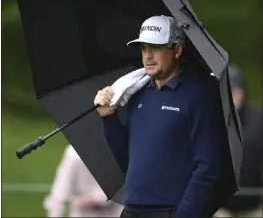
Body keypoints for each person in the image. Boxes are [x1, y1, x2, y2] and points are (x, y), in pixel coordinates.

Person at [94, 15, 231, 218]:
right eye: (143, 48)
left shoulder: (198, 96)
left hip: (170, 212)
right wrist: (108, 117)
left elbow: (208, 169)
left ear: (177, 50)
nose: (148, 56)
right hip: (131, 211)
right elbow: (126, 162)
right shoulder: (137, 93)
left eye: (156, 48)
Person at [214, 64, 263, 218]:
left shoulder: (258, 119)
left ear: (242, 92)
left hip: (254, 207)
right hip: (219, 209)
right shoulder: (209, 119)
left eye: (233, 91)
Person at [43, 144, 123, 217]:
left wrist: (89, 199)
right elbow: (59, 194)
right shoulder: (73, 154)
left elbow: (110, 195)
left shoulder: (117, 151)